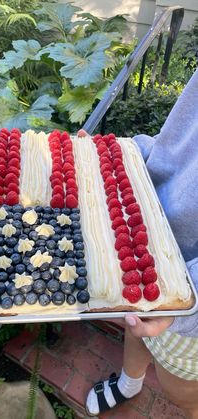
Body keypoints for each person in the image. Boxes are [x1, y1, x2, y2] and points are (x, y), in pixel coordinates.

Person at [84, 68, 198, 418]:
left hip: (189, 302)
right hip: (149, 236)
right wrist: (130, 154)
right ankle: (129, 384)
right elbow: (181, 146)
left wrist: (187, 304)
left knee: (180, 390)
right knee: (137, 326)